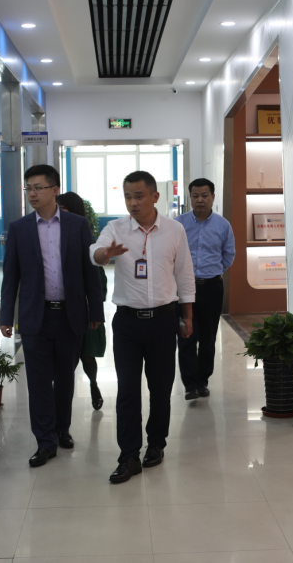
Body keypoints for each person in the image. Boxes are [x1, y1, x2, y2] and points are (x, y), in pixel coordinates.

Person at [90, 170, 195, 484]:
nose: (133, 203)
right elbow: (96, 252)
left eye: (138, 196)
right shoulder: (115, 228)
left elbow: (184, 275)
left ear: (154, 196)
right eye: (127, 197)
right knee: (127, 390)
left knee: (160, 388)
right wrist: (105, 254)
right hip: (127, 324)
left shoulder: (174, 230)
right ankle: (129, 455)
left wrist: (188, 317)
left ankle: (157, 444)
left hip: (163, 320)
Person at [0, 165, 104, 468]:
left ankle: (62, 428)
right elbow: (11, 276)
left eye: (38, 188)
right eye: (28, 188)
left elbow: (90, 271)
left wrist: (95, 311)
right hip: (36, 316)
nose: (32, 194)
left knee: (66, 377)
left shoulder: (77, 225)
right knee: (39, 381)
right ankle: (45, 441)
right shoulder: (19, 228)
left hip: (70, 315)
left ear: (54, 190)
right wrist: (6, 316)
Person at [175, 178, 235, 400]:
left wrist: (213, 270)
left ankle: (203, 381)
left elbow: (228, 255)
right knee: (186, 336)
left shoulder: (223, 225)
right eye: (195, 196)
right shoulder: (178, 224)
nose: (200, 200)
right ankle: (190, 385)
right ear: (190, 197)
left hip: (211, 288)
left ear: (213, 197)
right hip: (183, 288)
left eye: (204, 195)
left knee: (208, 339)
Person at [57, 191, 107, 410]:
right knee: (65, 359)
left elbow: (98, 280)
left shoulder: (85, 238)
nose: (59, 213)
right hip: (61, 311)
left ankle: (93, 385)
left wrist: (91, 305)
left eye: (63, 209)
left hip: (84, 310)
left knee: (87, 355)